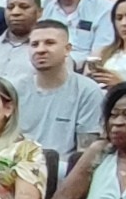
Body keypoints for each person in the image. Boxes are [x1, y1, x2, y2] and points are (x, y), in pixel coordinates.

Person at [10, 24, 105, 160]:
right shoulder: (14, 89)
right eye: (34, 44)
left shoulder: (87, 91)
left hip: (64, 169)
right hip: (16, 166)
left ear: (67, 49)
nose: (40, 50)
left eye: (50, 43)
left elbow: (86, 153)